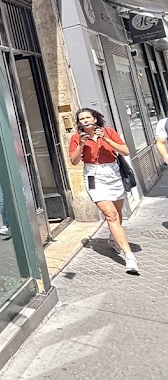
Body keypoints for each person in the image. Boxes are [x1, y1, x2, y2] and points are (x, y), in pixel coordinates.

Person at [69, 107, 139, 275]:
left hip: (112, 173)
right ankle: (129, 258)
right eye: (81, 119)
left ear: (95, 119)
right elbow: (74, 161)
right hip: (93, 176)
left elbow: (125, 151)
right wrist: (81, 145)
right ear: (79, 123)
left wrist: (106, 139)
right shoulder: (76, 138)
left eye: (87, 117)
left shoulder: (108, 132)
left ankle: (114, 239)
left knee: (118, 211)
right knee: (111, 215)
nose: (85, 120)